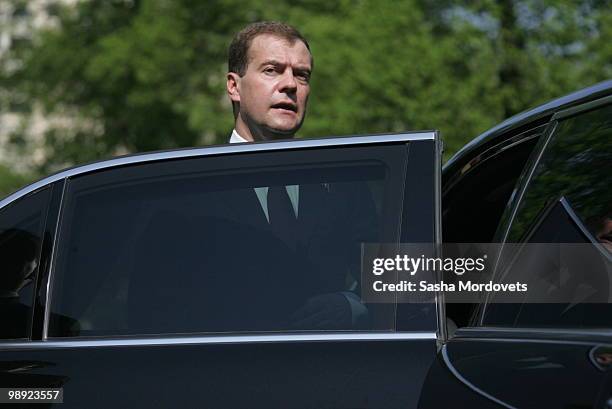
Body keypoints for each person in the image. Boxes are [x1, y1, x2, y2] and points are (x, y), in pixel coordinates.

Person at [223, 21, 375, 329]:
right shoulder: (185, 189)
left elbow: (396, 278)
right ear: (234, 86)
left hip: (332, 369)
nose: (290, 84)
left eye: (301, 75)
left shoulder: (343, 184)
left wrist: (353, 305)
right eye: (272, 70)